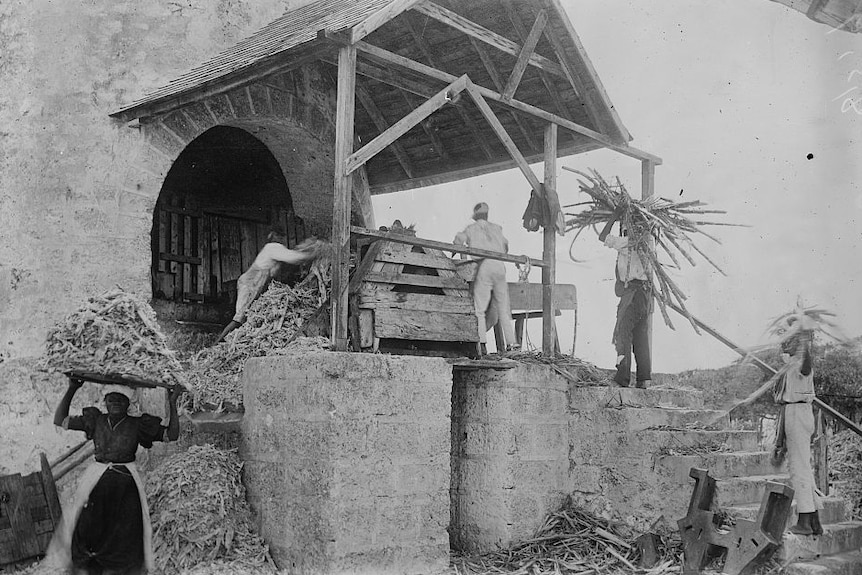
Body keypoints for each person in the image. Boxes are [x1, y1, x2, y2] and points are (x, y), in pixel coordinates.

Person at [49, 378, 182, 574]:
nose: (116, 403)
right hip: (96, 479)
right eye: (111, 399)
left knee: (127, 528)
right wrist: (72, 388)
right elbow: (60, 420)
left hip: (125, 482)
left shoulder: (137, 425)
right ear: (105, 402)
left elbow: (171, 436)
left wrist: (172, 403)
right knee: (86, 525)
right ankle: (88, 567)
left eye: (121, 399)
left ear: (128, 404)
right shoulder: (95, 421)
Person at [217, 231, 315, 342]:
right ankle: (217, 343)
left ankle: (234, 340)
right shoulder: (272, 247)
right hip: (250, 284)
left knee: (245, 317)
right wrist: (314, 251)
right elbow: (294, 258)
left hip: (255, 284)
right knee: (240, 318)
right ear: (273, 237)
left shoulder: (274, 248)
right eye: (280, 236)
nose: (283, 240)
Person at [774, 317, 823, 536]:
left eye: (790, 340)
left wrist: (803, 339)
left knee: (798, 468)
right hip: (793, 412)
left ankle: (804, 521)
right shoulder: (789, 360)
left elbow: (805, 365)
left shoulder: (803, 362)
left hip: (798, 412)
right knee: (803, 466)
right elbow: (786, 351)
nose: (785, 343)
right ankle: (814, 521)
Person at [453, 202, 518, 355]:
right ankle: (512, 345)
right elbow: (506, 246)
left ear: (475, 216)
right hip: (500, 266)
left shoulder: (471, 228)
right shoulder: (497, 228)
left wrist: (458, 248)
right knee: (503, 308)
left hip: (485, 265)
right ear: (487, 215)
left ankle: (481, 344)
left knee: (480, 308)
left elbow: (458, 241)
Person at [598, 209, 652, 388]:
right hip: (644, 297)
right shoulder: (648, 243)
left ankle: (622, 379)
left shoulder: (628, 243)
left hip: (632, 296)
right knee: (640, 337)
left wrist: (614, 215)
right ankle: (644, 379)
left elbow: (603, 236)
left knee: (623, 335)